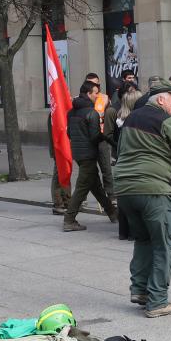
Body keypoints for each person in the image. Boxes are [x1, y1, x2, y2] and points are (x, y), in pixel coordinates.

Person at [114, 81, 171, 317]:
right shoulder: (167, 121)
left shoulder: (129, 120)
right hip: (153, 190)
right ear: (160, 100)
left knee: (143, 240)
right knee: (163, 244)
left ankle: (139, 290)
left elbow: (119, 152)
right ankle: (157, 301)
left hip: (125, 190)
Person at [64, 82, 118, 232]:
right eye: (95, 93)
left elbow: (69, 134)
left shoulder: (71, 112)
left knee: (95, 185)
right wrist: (106, 138)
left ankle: (113, 213)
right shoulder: (91, 112)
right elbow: (94, 137)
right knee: (82, 188)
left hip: (78, 153)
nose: (97, 96)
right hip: (89, 153)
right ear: (88, 94)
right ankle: (69, 219)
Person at [85, 72, 117, 205]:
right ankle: (83, 197)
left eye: (96, 83)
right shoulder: (82, 98)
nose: (95, 86)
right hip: (88, 138)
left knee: (106, 168)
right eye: (91, 83)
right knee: (87, 170)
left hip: (102, 137)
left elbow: (110, 114)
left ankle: (111, 195)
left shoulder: (104, 98)